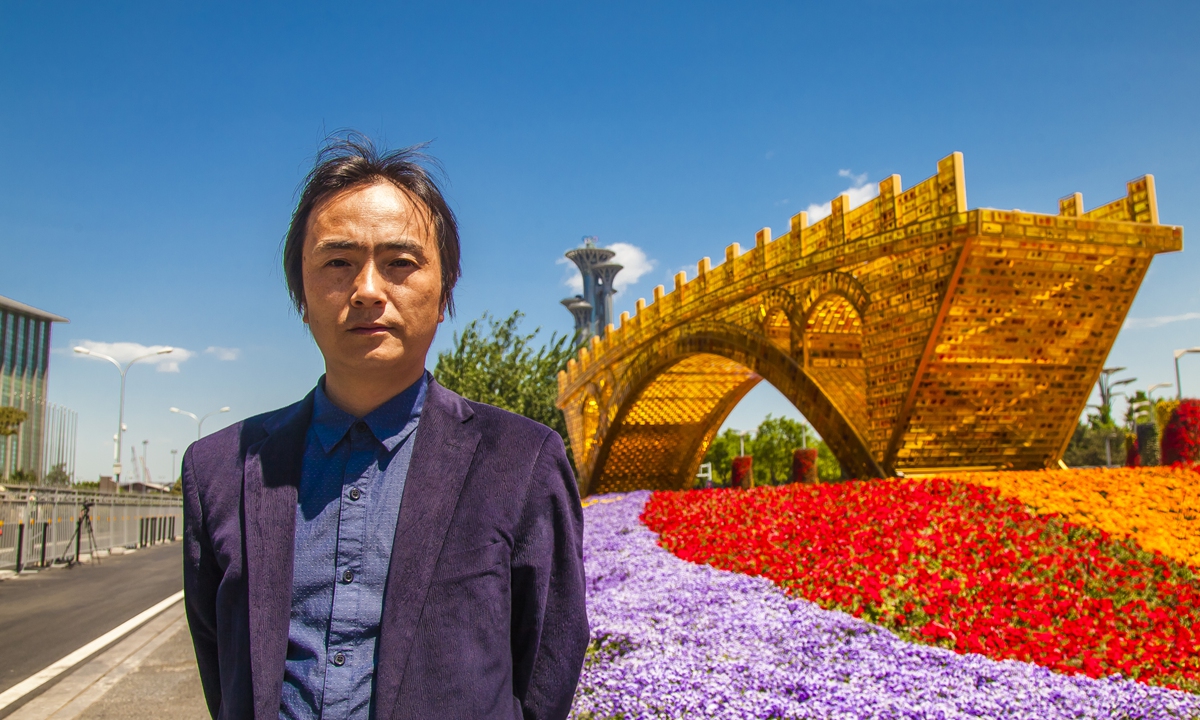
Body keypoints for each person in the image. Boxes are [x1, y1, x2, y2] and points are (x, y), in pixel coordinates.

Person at [181, 135, 589, 720]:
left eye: (401, 263)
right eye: (337, 262)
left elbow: (548, 660)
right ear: (301, 293)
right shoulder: (220, 468)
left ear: (444, 292)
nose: (368, 290)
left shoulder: (521, 461)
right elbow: (224, 670)